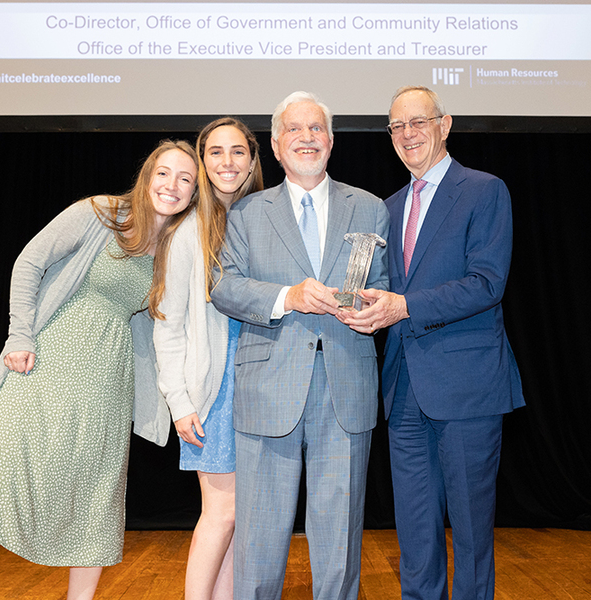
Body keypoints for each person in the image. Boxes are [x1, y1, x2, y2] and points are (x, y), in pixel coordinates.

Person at [0, 140, 199, 600]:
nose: (171, 185)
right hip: (41, 368)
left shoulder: (177, 249)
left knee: (95, 503)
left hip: (105, 386)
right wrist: (20, 334)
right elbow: (29, 261)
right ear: (146, 177)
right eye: (163, 173)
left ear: (194, 194)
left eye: (185, 179)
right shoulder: (100, 213)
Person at [338, 86, 526, 600]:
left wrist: (403, 307)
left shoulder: (485, 190)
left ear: (445, 125)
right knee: (416, 531)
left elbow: (487, 283)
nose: (407, 134)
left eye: (417, 122)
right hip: (404, 391)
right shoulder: (389, 208)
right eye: (396, 127)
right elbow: (389, 290)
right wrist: (371, 308)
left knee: (469, 530)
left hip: (467, 387)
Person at [209, 91, 390, 600]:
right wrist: (287, 296)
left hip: (346, 388)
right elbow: (224, 286)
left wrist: (376, 310)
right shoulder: (245, 213)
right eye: (295, 129)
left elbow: (385, 283)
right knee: (259, 546)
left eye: (316, 129)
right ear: (277, 144)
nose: (306, 138)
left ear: (330, 141)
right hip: (268, 390)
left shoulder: (370, 208)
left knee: (339, 545)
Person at [140, 118, 264, 600]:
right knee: (223, 512)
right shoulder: (189, 230)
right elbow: (167, 324)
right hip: (212, 389)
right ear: (202, 160)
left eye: (238, 152)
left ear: (254, 160)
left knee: (241, 515)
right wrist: (180, 400)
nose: (227, 162)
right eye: (215, 153)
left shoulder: (262, 218)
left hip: (258, 378)